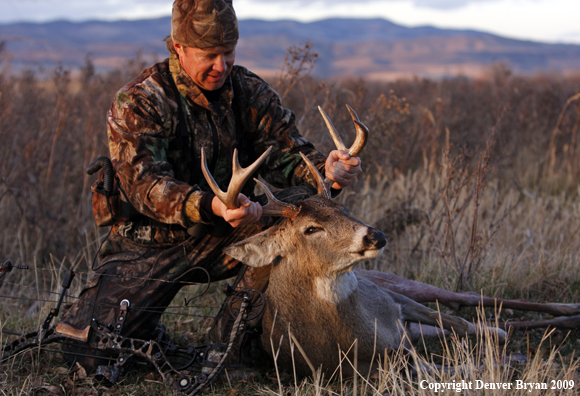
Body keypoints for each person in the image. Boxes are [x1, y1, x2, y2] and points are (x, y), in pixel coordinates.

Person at [60, 0, 361, 373]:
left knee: (293, 217)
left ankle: (239, 345)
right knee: (86, 355)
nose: (221, 66)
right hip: (148, 243)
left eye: (229, 53)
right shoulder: (139, 101)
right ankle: (148, 330)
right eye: (209, 55)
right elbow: (145, 186)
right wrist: (209, 205)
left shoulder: (249, 90)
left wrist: (327, 170)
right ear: (178, 48)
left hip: (231, 231)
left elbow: (288, 154)